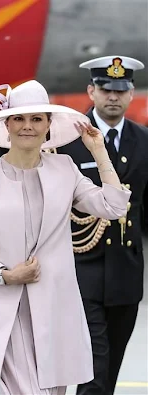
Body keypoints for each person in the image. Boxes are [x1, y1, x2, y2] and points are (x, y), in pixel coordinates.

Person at [0, 79, 132, 394]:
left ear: (48, 125)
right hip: (7, 308)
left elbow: (113, 206)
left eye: (37, 119)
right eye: (19, 119)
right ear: (6, 125)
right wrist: (5, 274)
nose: (27, 126)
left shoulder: (64, 167)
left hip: (56, 307)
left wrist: (99, 152)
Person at [56, 55, 148, 395]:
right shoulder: (66, 139)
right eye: (106, 89)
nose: (114, 96)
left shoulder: (143, 140)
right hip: (81, 266)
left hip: (126, 268)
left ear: (131, 93)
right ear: (91, 91)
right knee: (93, 366)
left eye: (121, 90)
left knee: (110, 368)